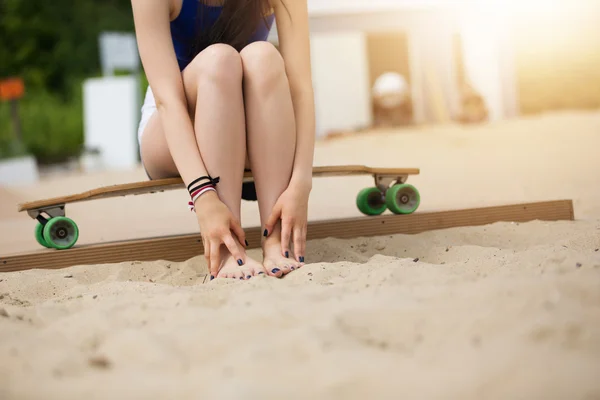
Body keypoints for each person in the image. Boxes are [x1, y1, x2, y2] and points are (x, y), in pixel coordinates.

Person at [130, 0, 315, 280]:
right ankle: (229, 248)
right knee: (219, 60)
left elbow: (301, 88)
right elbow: (167, 100)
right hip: (173, 130)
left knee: (264, 56)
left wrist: (301, 183)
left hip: (254, 128)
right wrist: (203, 196)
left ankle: (275, 239)